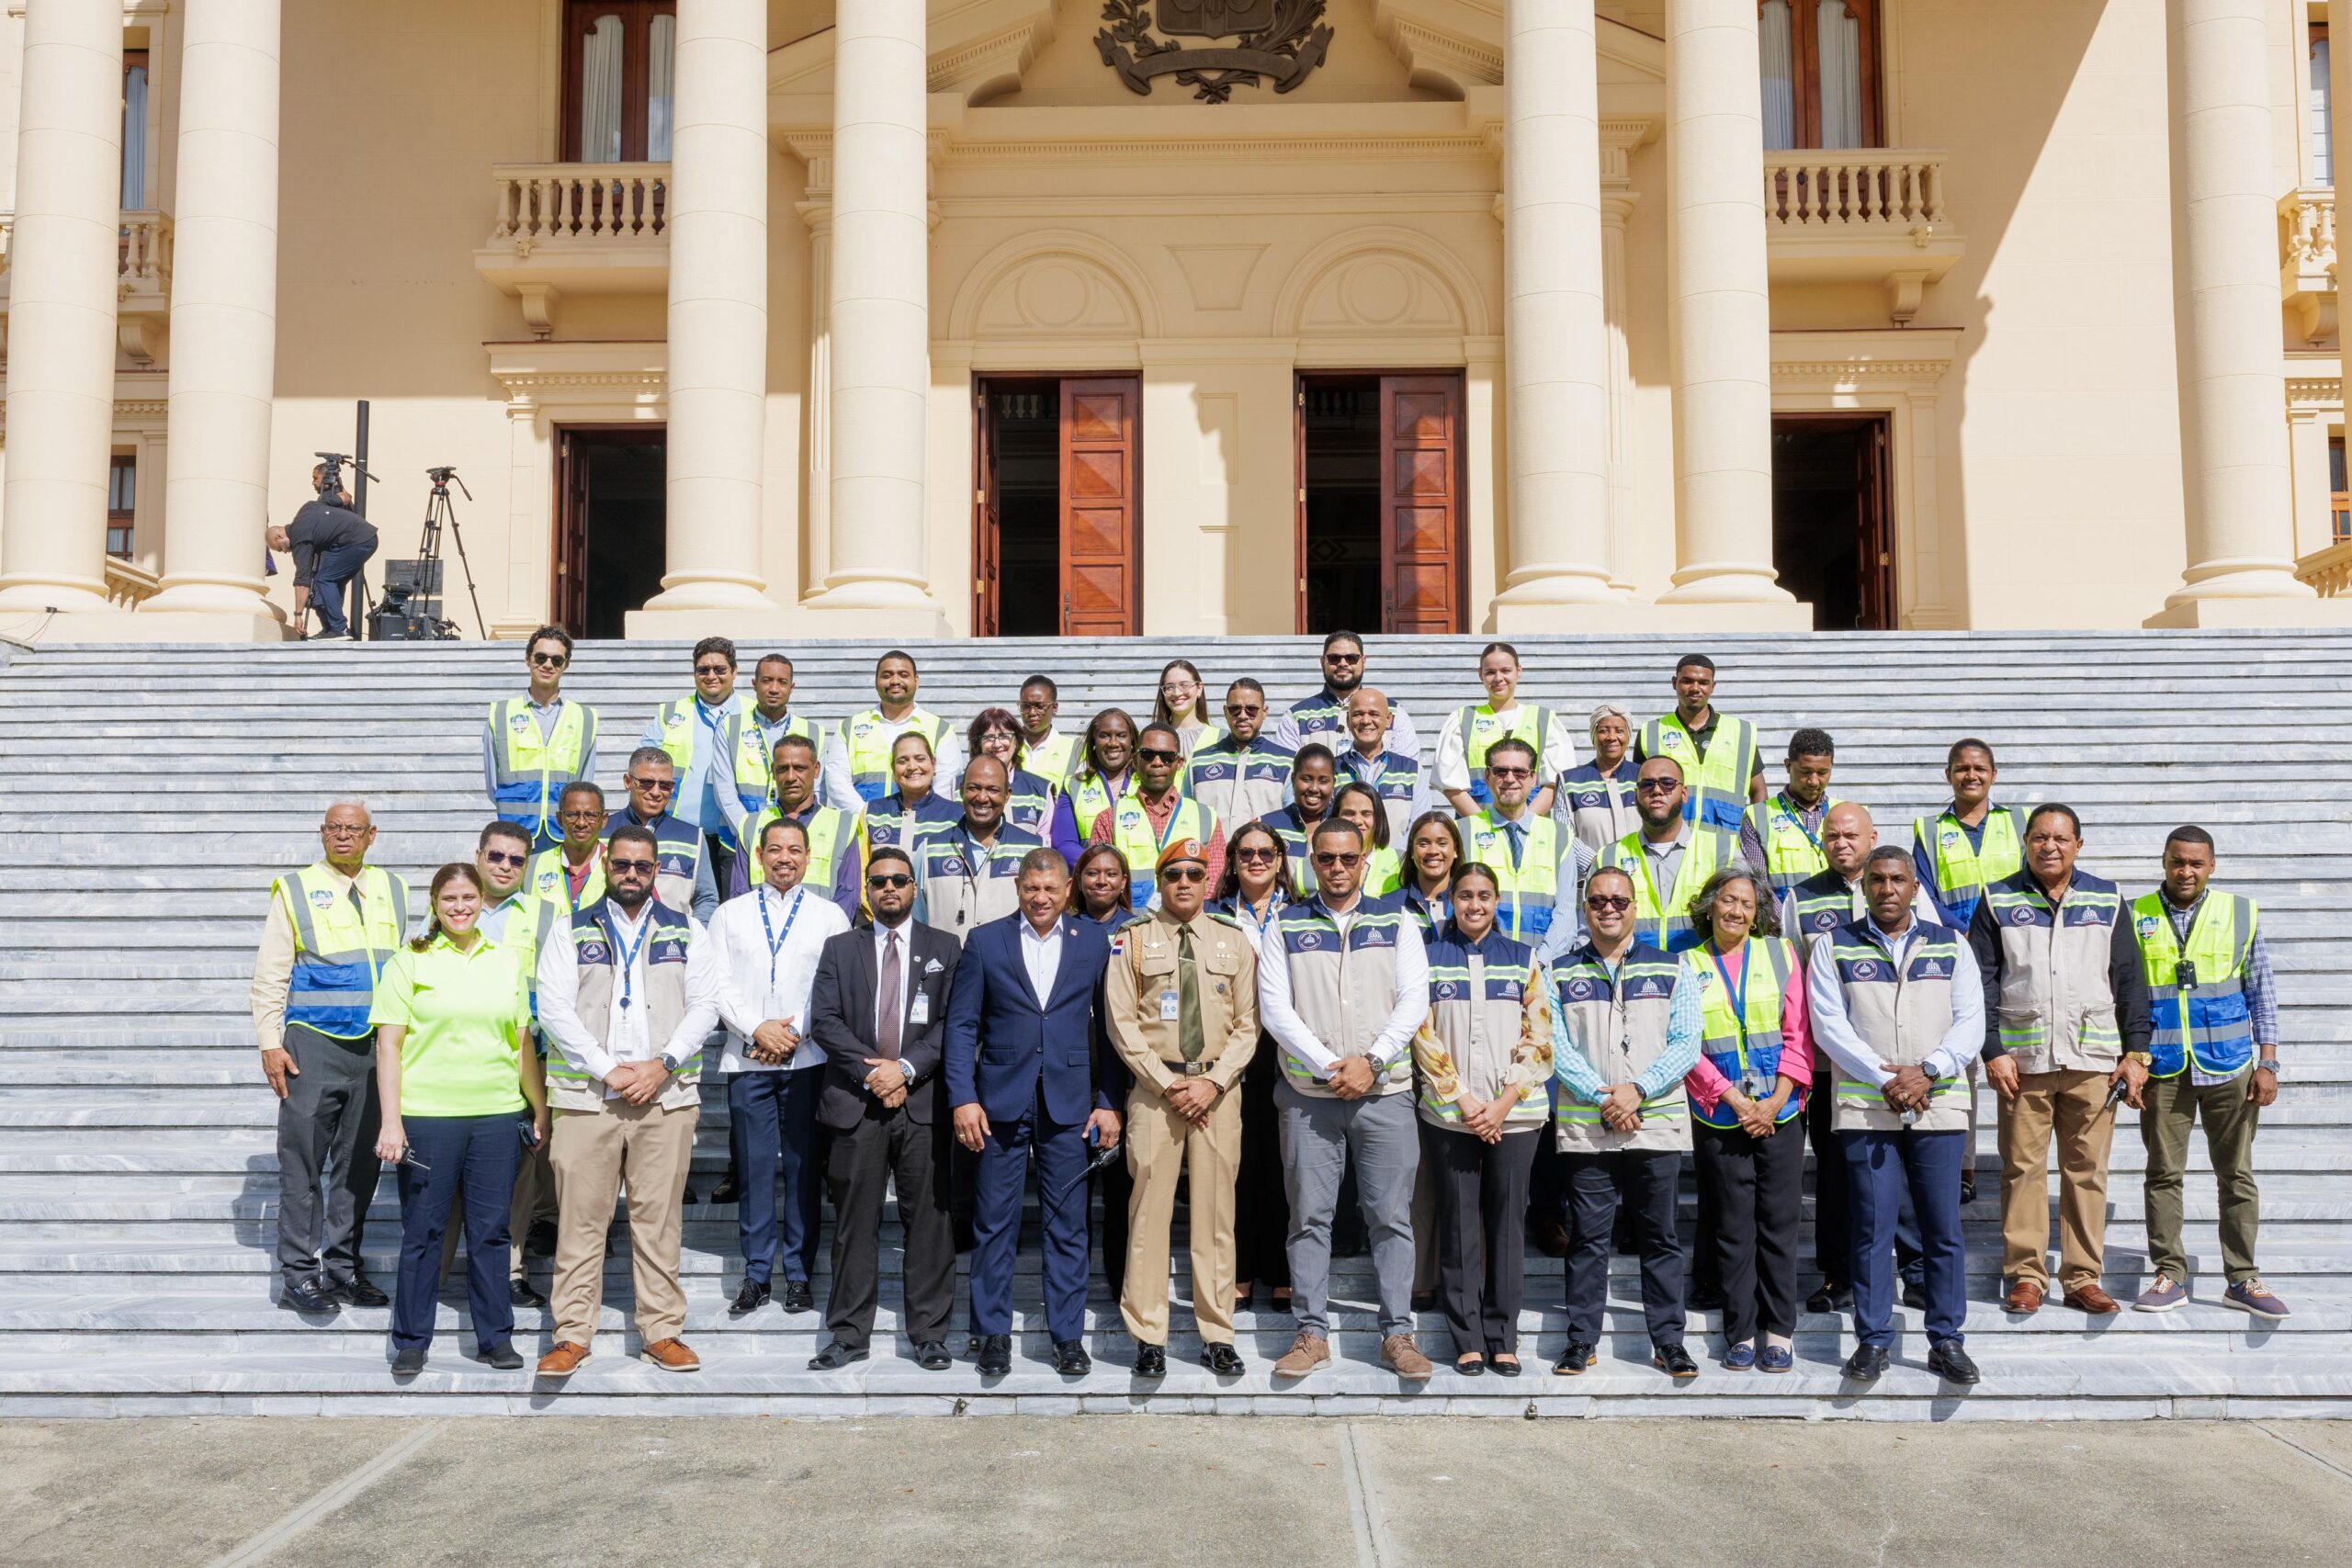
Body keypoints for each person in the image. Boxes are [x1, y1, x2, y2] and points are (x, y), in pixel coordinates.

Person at [532, 825, 724, 1378]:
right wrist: (607, 1068)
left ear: (657, 870)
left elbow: (706, 1004)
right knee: (580, 1222)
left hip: (664, 1096)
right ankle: (571, 1335)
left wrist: (660, 1064)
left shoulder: (687, 931)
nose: (632, 875)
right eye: (622, 865)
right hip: (587, 1097)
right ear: (604, 866)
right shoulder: (571, 929)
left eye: (642, 866)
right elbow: (555, 1008)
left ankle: (662, 1331)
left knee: (658, 1221)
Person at [1258, 817, 1433, 1383]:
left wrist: (1372, 1061)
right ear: (1313, 860)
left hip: (1385, 1093)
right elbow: (1275, 1010)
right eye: (1327, 859)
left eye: (1347, 859)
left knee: (1390, 1218)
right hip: (1311, 1096)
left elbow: (1413, 1000)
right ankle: (1311, 1333)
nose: (1337, 868)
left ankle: (1398, 1335)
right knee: (1309, 1218)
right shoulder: (1284, 923)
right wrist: (1330, 1067)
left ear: (1365, 861)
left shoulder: (1397, 919)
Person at [1808, 848, 1985, 1386]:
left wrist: (1927, 1071)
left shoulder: (1952, 943)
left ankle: (1946, 1338)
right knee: (1871, 1228)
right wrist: (1886, 1078)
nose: (1888, 889)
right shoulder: (1832, 946)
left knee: (1942, 1227)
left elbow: (1971, 1019)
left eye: (1899, 880)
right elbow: (1829, 1026)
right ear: (1863, 886)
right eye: (1878, 880)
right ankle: (1873, 1339)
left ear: (1914, 887)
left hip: (1938, 1101)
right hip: (1867, 1104)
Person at [1972, 805, 2153, 1318]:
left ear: (2079, 844)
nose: (2050, 846)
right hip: (2022, 1062)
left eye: (2061, 838)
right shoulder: (1997, 898)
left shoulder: (2107, 898)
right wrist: (1992, 1049)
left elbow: (2131, 981)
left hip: (2093, 1060)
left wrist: (2135, 1054)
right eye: (2040, 838)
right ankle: (2026, 1275)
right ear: (2025, 842)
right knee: (2022, 1170)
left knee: (2086, 1171)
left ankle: (2081, 1278)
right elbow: (1981, 981)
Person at [946, 851, 1122, 1377]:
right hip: (998, 1099)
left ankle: (1067, 1336)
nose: (1040, 898)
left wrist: (1109, 1101)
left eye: (1050, 889)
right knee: (994, 1222)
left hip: (1069, 1103)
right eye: (1031, 889)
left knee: (1067, 1225)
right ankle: (991, 1333)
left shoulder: (1091, 941)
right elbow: (961, 1028)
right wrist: (962, 1096)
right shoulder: (984, 940)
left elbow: (1111, 1032)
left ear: (1068, 889)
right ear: (1018, 887)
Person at [368, 863, 544, 1376]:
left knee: (491, 1232)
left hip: (495, 1117)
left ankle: (495, 1338)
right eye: (450, 898)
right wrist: (391, 1122)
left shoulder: (505, 962)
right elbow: (389, 1047)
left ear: (482, 900)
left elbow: (520, 1045)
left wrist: (537, 1109)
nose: (461, 907)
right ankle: (411, 1341)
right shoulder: (409, 962)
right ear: (435, 903)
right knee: (422, 1231)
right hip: (428, 1119)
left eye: (469, 897)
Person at [804, 845, 963, 1370]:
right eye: (878, 881)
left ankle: (930, 1334)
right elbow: (825, 1021)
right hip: (857, 1102)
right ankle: (849, 1334)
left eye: (899, 880)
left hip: (924, 1103)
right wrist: (875, 1072)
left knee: (931, 1223)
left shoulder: (947, 946)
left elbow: (954, 1024)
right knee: (854, 1221)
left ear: (915, 887)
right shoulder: (839, 949)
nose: (889, 888)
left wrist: (908, 1069)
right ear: (867, 892)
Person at [1106, 838, 1259, 1377]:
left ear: (1209, 880)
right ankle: (1148, 1335)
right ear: (1160, 880)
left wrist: (1213, 1083)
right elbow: (1121, 1022)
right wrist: (1168, 1084)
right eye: (1175, 875)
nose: (1186, 883)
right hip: (1156, 1093)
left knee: (1217, 1216)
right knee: (1148, 1214)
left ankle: (1217, 1332)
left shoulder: (1232, 941)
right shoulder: (1131, 940)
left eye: (1196, 873)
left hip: (1217, 1092)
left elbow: (1248, 1025)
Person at [1780, 802, 1938, 1314]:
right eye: (1831, 836)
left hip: (1902, 1065)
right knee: (1834, 1176)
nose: (1841, 843)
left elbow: (1934, 959)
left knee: (1906, 1173)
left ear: (1872, 837)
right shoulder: (1800, 899)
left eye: (1851, 834)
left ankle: (1914, 1271)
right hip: (1833, 1068)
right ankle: (1839, 1276)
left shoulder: (1909, 890)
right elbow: (1792, 981)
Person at [251, 801, 409, 1313]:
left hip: (373, 1047)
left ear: (371, 835)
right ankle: (298, 1275)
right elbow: (271, 971)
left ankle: (342, 1268)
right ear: (322, 833)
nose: (343, 836)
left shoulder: (394, 888)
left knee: (358, 1167)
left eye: (354, 829)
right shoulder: (295, 889)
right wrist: (269, 1042)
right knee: (302, 1164)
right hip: (312, 1043)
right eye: (334, 828)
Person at [1548, 865, 1702, 1380]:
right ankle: (1580, 1341)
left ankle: (1669, 1343)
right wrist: (1602, 1095)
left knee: (1658, 1236)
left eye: (1619, 900)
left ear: (1635, 907)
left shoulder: (1673, 968)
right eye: (1598, 901)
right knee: (1588, 1239)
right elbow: (1556, 1047)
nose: (1609, 908)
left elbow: (1686, 1043)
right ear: (1585, 909)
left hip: (1653, 1123)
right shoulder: (1558, 972)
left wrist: (1637, 1090)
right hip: (1587, 1126)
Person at [2130, 827, 2288, 1318]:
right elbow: (2125, 995)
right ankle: (2169, 1273)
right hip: (2164, 1066)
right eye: (2178, 862)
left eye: (2196, 864)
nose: (2186, 872)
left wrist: (2268, 1062)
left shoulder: (2239, 912)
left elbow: (2260, 990)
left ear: (2212, 866)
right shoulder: (2136, 915)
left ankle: (2242, 1277)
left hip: (2231, 1065)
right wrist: (2132, 1061)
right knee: (2162, 1174)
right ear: (2164, 861)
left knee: (2236, 1175)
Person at [1411, 863, 1552, 1375]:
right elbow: (1421, 1035)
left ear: (1497, 901)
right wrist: (1466, 1101)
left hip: (1514, 1119)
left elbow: (1538, 1039)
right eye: (1465, 895)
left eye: (1484, 896)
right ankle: (1466, 1336)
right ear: (1450, 899)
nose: (1474, 905)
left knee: (1507, 1227)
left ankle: (1503, 1336)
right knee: (1459, 1224)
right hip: (1452, 1117)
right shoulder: (1428, 958)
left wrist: (1502, 1104)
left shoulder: (1524, 959)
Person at [710, 818, 853, 1318]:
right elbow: (716, 984)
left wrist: (795, 1034)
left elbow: (835, 985)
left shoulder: (830, 915)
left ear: (808, 856)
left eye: (794, 849)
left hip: (807, 1058)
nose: (784, 858)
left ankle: (797, 1274)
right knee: (752, 1172)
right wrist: (757, 1029)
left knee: (801, 1170)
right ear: (759, 855)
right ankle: (755, 1275)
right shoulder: (730, 914)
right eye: (775, 849)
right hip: (748, 1061)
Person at [1681, 869, 1812, 1372]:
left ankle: (1778, 1330)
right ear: (1710, 905)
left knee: (1779, 1225)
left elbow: (1798, 1034)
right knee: (1733, 1229)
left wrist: (1774, 1099)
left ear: (1759, 914)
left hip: (1780, 1111)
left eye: (1747, 904)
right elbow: (1688, 1045)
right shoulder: (1686, 965)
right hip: (1720, 1114)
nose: (1736, 911)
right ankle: (1739, 1331)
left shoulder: (1780, 955)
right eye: (1728, 901)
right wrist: (1737, 1102)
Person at [472, 822, 560, 1308]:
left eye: (516, 860)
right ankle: (469, 1265)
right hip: (462, 1061)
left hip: (527, 1058)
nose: (505, 866)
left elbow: (556, 987)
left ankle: (511, 1270)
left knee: (524, 1170)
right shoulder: (448, 907)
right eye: (496, 857)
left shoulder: (544, 915)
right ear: (479, 855)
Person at [1211, 821, 1293, 1312]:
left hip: (1288, 1049)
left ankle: (1281, 1272)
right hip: (1234, 1050)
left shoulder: (1301, 914)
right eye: (1246, 853)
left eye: (1266, 852)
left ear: (1281, 859)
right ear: (1233, 861)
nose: (1256, 860)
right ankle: (1240, 1271)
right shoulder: (1216, 915)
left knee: (1284, 1166)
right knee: (1239, 1168)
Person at [639, 637, 749, 896]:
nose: (711, 676)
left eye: (720, 669)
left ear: (734, 671)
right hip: (679, 832)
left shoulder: (753, 714)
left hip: (733, 837)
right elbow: (642, 764)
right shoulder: (671, 713)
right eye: (703, 670)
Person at [1596, 756, 1738, 952]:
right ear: (1636, 794)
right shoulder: (1609, 857)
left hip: (1704, 977)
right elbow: (1589, 931)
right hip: (1633, 975)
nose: (1656, 790)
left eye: (1667, 783)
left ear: (1684, 793)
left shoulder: (1724, 850)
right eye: (1647, 784)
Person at [483, 626, 597, 852]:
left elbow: (585, 782)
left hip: (563, 833)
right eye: (541, 657)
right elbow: (492, 784)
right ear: (527, 659)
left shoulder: (584, 718)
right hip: (512, 834)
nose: (548, 665)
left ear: (566, 665)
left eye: (557, 660)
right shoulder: (501, 714)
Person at [1454, 739, 1574, 952]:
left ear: (1533, 778)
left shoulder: (1559, 835)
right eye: (1501, 771)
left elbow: (1565, 915)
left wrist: (1539, 963)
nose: (1510, 779)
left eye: (1519, 772)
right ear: (1487, 776)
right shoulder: (1462, 832)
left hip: (1543, 967)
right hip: (1482, 961)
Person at [1087, 721, 1223, 908]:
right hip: (1129, 929)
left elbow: (1213, 883)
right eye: (1148, 755)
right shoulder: (1109, 818)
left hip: (1186, 929)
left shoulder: (1206, 817)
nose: (1157, 762)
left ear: (1179, 763)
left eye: (1167, 757)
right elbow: (1100, 883)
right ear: (1135, 761)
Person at [910, 754, 1046, 935]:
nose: (982, 798)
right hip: (948, 964)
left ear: (1007, 795)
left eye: (992, 789)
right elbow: (917, 924)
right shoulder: (929, 850)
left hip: (1009, 964)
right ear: (961, 790)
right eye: (974, 788)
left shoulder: (1033, 850)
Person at [1435, 642, 1576, 816]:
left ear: (1519, 670)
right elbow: (1451, 785)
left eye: (1506, 671)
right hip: (1477, 830)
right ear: (1480, 674)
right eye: (1490, 672)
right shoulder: (1462, 720)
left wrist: (1524, 824)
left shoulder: (1543, 720)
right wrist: (1484, 827)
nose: (1498, 678)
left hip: (1532, 829)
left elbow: (1555, 783)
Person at [730, 734, 859, 918]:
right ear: (773, 772)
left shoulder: (843, 825)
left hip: (823, 941)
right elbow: (739, 895)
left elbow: (848, 896)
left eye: (799, 768)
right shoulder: (750, 825)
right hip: (762, 939)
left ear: (816, 770)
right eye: (783, 769)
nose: (791, 777)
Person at [1634, 653, 1764, 832]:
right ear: (1674, 683)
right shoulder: (1651, 732)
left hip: (1727, 844)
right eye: (1687, 681)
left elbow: (1758, 791)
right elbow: (1640, 790)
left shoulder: (1740, 732)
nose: (1695, 688)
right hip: (1670, 842)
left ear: (1713, 686)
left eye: (1703, 682)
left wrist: (1755, 835)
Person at [1913, 738, 2027, 930]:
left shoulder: (2021, 821)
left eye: (1980, 769)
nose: (1971, 775)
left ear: (1994, 774)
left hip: (2016, 934)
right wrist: (1965, 934)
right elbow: (1925, 897)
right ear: (1948, 775)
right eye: (1962, 769)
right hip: (1958, 939)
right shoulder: (1929, 830)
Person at [826, 649, 963, 807]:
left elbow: (946, 783)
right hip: (862, 825)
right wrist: (867, 816)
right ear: (876, 681)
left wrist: (920, 816)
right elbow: (836, 781)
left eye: (903, 674)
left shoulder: (941, 730)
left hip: (920, 825)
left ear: (916, 681)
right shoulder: (848, 728)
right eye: (887, 675)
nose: (895, 681)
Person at [718, 653, 833, 842]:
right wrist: (751, 834)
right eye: (767, 681)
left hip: (796, 843)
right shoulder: (729, 727)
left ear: (791, 687)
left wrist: (800, 836)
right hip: (739, 842)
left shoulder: (813, 731)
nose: (774, 689)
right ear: (754, 684)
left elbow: (818, 794)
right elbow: (725, 793)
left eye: (782, 682)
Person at [605, 747, 719, 923]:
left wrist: (693, 938)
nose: (656, 792)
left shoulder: (693, 837)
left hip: (673, 946)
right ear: (627, 782)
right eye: (646, 783)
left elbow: (706, 899)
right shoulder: (602, 832)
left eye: (665, 785)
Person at [1273, 629, 1421, 761]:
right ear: (1322, 662)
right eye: (1334, 658)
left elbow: (1406, 771)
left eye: (1351, 658)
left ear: (1363, 661)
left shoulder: (1393, 712)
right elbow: (1287, 775)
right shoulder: (1297, 716)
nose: (1343, 663)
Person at [267, 464, 377, 638]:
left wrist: (298, 616)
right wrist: (343, 495)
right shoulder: (309, 508)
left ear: (279, 536)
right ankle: (329, 628)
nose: (284, 552)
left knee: (324, 578)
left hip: (356, 540)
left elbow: (302, 580)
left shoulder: (300, 539)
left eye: (280, 549)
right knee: (327, 579)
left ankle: (338, 628)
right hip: (361, 539)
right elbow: (344, 497)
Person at [966, 707, 1082, 863]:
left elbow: (1046, 843)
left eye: (1004, 736)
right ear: (977, 742)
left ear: (1017, 741)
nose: (997, 743)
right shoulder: (958, 786)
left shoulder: (1040, 789)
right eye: (988, 737)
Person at [1738, 728, 1843, 895]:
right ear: (1788, 765)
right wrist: (1788, 920)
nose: (1814, 781)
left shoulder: (1848, 815)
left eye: (1823, 772)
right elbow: (1759, 886)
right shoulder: (1757, 817)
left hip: (1839, 919)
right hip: (1783, 919)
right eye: (1805, 772)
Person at [1188, 679, 1295, 830]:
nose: (1243, 715)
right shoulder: (1198, 762)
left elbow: (1293, 824)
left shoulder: (1287, 762)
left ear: (1264, 712)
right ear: (1225, 712)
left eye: (1251, 709)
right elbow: (1185, 819)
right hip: (1212, 854)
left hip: (1263, 854)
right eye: (1235, 709)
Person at [854, 731, 961, 870]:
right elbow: (861, 871)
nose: (912, 767)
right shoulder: (872, 812)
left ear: (933, 764)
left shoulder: (955, 815)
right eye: (903, 761)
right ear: (893, 768)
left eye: (920, 759)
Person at [1555, 701, 1641, 872]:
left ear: (1628, 736)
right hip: (1593, 878)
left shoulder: (1644, 776)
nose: (1611, 737)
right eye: (1603, 730)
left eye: (1619, 730)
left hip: (1642, 873)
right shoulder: (1571, 780)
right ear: (1593, 736)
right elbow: (1563, 833)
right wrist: (1596, 863)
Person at [1338, 688, 1429, 845]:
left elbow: (1420, 826)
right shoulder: (1333, 769)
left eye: (1374, 714)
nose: (1366, 721)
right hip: (1345, 865)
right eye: (1358, 714)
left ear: (1388, 720)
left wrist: (1391, 860)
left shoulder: (1411, 771)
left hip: (1396, 866)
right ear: (1347, 720)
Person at [1259, 744, 1339, 898]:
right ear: (1293, 779)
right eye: (1306, 779)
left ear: (1333, 783)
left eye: (1323, 781)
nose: (1314, 788)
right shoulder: (1266, 826)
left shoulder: (1343, 828)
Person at [1061, 707, 1141, 848]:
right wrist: (1096, 867)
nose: (1113, 743)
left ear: (1132, 741)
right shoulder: (1073, 785)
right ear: (1093, 743)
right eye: (1104, 736)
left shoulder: (1147, 782)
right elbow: (1065, 843)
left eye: (1121, 735)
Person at [529, 782, 608, 916]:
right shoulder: (531, 866)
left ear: (604, 820)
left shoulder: (621, 865)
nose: (581, 823)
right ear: (559, 819)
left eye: (590, 815)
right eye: (572, 814)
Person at [1393, 810, 1461, 938]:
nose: (1433, 851)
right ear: (1412, 851)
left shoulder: (1469, 904)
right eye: (1423, 844)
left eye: (1442, 843)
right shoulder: (1389, 905)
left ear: (1455, 850)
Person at [1330, 782, 1399, 896]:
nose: (1357, 821)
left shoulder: (1399, 862)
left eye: (1366, 814)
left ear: (1378, 819)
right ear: (1336, 817)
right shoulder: (1320, 861)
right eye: (1349, 813)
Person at [1015, 674, 1080, 787]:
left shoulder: (1074, 750)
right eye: (1025, 706)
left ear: (1055, 708)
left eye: (1039, 706)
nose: (1032, 713)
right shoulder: (1007, 746)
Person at [1151, 658, 1222, 757]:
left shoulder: (1221, 738)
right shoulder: (1149, 738)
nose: (1176, 693)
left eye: (1184, 685)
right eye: (1170, 687)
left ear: (1199, 689)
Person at [1069, 841, 1136, 932]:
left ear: (1123, 881)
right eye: (1092, 874)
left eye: (1111, 874)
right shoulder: (1065, 930)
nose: (1102, 881)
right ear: (1079, 880)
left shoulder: (1138, 928)